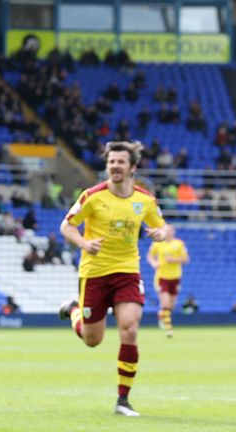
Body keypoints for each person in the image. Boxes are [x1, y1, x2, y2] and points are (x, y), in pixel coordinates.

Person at [58, 141, 169, 417]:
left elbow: (162, 227)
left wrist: (160, 234)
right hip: (94, 273)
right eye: (111, 162)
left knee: (129, 329)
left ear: (132, 167)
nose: (115, 166)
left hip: (127, 271)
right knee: (92, 339)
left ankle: (123, 400)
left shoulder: (145, 200)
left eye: (120, 162)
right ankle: (74, 309)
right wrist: (84, 243)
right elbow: (66, 226)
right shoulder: (92, 196)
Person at [147, 224, 189, 337]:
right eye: (166, 231)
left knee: (171, 306)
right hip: (162, 277)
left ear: (173, 232)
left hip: (175, 277)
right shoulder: (157, 243)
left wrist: (174, 259)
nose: (169, 233)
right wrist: (154, 263)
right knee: (165, 303)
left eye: (170, 230)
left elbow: (186, 259)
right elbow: (150, 256)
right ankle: (168, 329)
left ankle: (161, 315)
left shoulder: (179, 244)